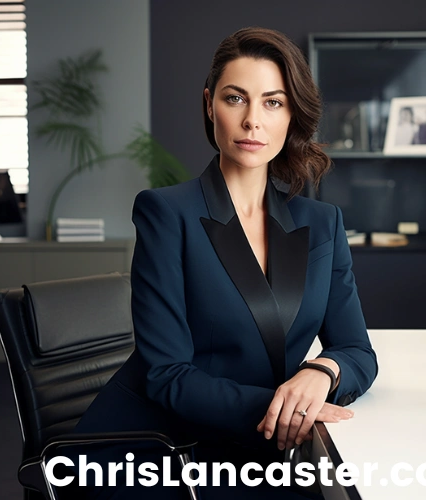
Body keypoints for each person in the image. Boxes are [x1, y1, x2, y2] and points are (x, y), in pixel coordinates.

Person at [74, 27, 378, 499]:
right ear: (208, 105)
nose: (252, 120)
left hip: (257, 450)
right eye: (236, 98)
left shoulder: (322, 223)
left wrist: (322, 372)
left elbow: (357, 352)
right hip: (160, 452)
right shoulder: (165, 212)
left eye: (273, 102)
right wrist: (290, 408)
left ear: (292, 114)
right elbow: (167, 375)